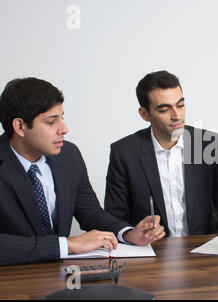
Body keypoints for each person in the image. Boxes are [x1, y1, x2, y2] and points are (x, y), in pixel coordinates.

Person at [0, 77, 165, 266]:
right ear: (20, 126)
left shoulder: (68, 154)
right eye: (51, 121)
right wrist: (67, 245)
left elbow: (90, 213)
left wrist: (128, 233)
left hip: (60, 275)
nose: (64, 129)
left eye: (62, 117)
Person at [104, 71, 218, 236]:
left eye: (180, 105)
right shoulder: (124, 153)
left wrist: (213, 247)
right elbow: (115, 218)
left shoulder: (208, 144)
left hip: (204, 251)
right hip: (152, 253)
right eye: (164, 109)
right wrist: (132, 234)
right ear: (144, 114)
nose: (177, 116)